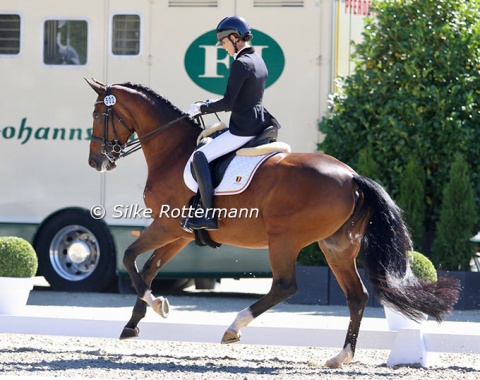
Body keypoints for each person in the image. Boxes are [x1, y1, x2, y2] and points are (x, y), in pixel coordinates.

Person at [185, 15, 276, 231]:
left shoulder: (241, 64)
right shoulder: (258, 60)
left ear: (234, 38)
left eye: (224, 42)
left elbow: (228, 102)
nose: (223, 47)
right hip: (259, 122)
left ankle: (208, 215)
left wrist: (202, 107)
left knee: (199, 156)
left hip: (243, 129)